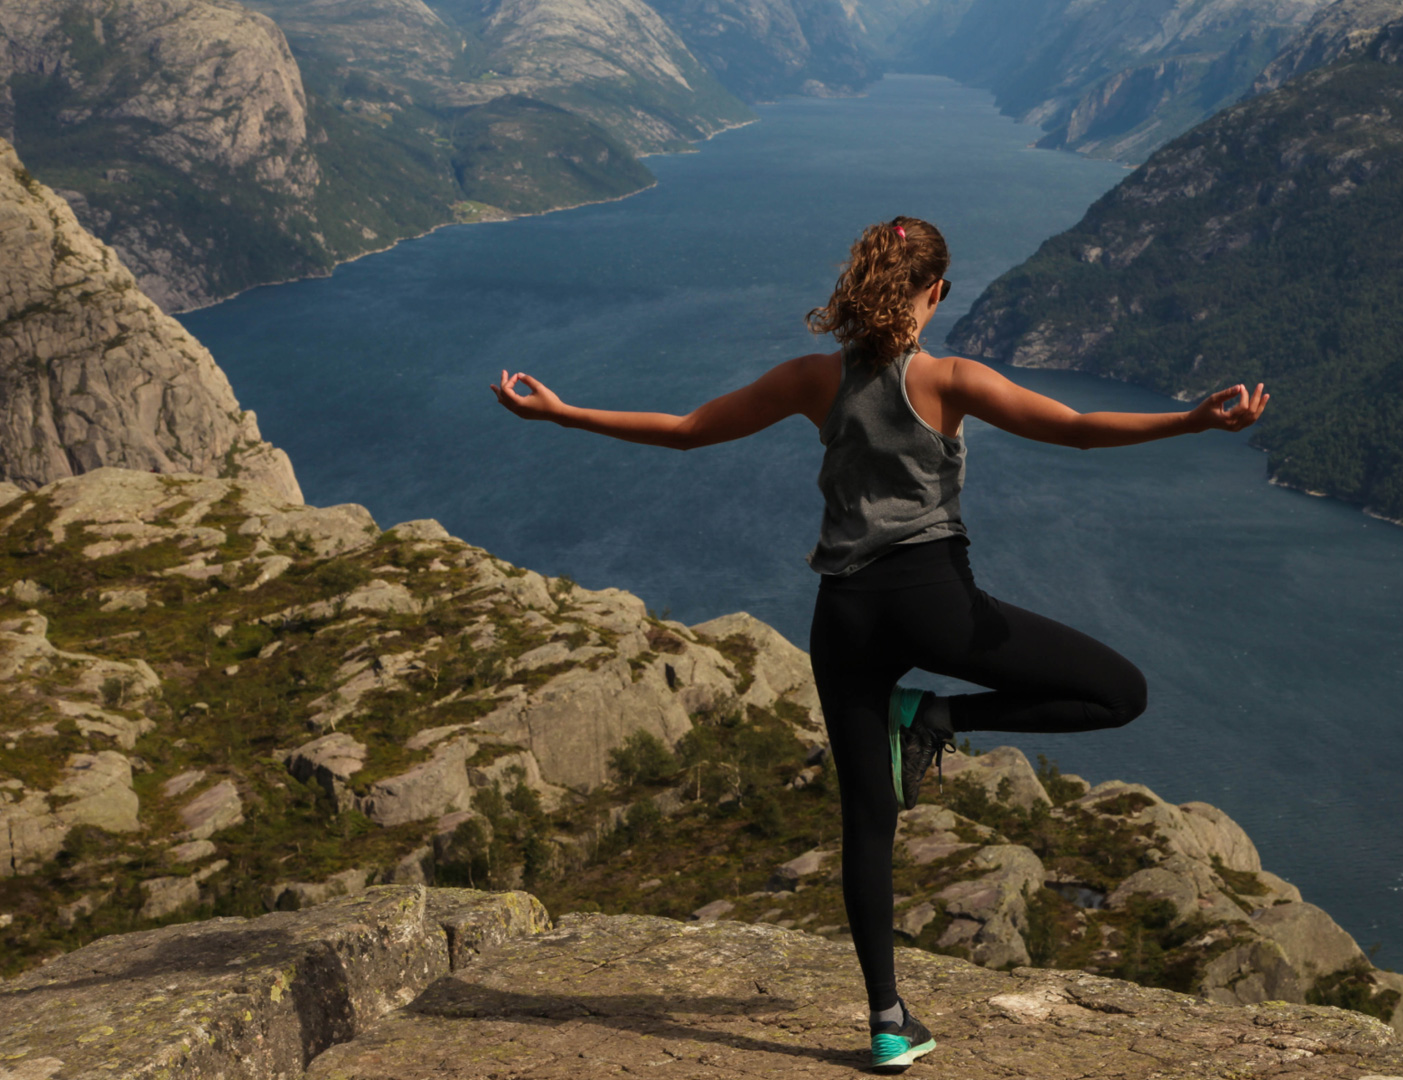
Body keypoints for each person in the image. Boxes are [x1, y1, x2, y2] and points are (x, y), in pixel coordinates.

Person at [489, 215, 1267, 1072]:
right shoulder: (950, 378)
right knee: (1121, 693)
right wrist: (1191, 422)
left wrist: (562, 415)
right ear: (933, 292)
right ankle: (934, 711)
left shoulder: (810, 380)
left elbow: (685, 430)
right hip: (935, 605)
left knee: (868, 824)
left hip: (843, 618)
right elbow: (1076, 428)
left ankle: (888, 1023)